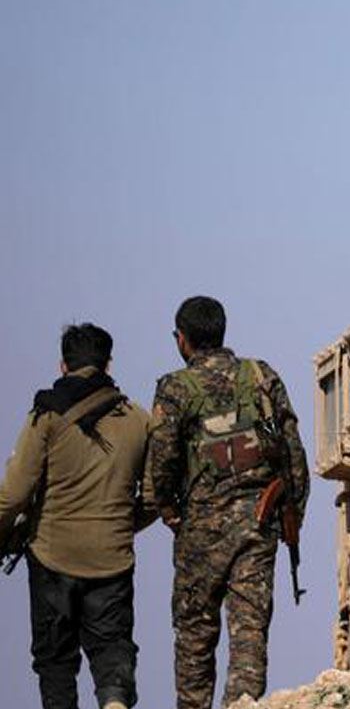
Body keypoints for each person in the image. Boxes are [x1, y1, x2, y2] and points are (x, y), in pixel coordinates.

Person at [147, 296, 310, 709]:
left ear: (181, 339)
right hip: (258, 523)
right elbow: (293, 452)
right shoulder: (260, 375)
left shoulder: (175, 388)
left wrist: (169, 511)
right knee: (249, 632)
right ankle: (242, 704)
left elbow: (161, 461)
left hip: (200, 532)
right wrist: (293, 514)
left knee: (195, 634)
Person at [0, 324, 153, 709]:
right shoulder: (139, 420)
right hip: (112, 559)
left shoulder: (46, 416)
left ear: (63, 365)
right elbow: (155, 497)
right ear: (108, 364)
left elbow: (14, 494)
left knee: (55, 661)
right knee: (112, 649)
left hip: (51, 558)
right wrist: (120, 525)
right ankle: (114, 700)